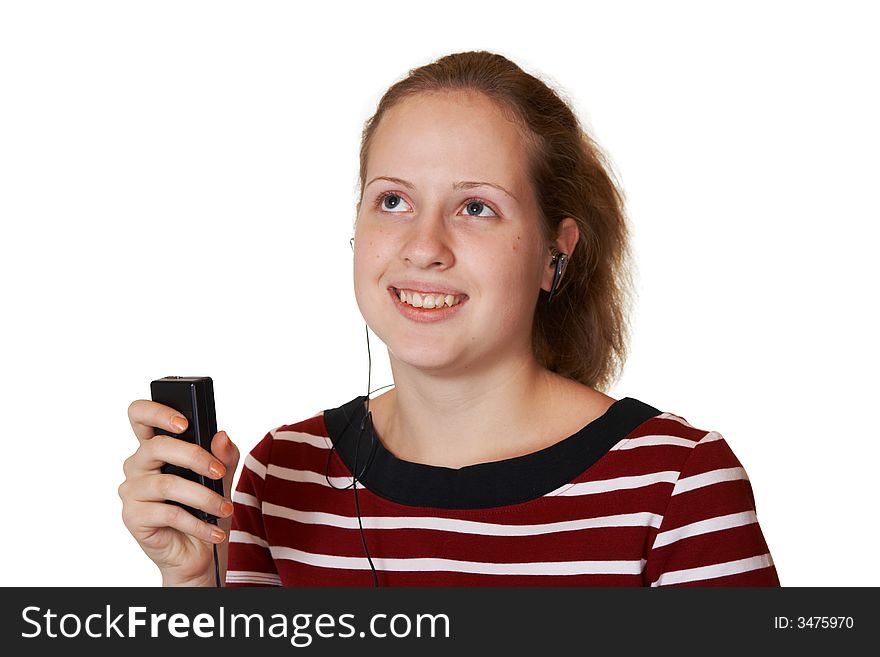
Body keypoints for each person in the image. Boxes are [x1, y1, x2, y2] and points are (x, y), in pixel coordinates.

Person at [120, 50, 780, 587]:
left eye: (476, 208)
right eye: (394, 200)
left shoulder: (679, 487)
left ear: (556, 251)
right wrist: (192, 585)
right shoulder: (281, 475)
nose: (424, 247)